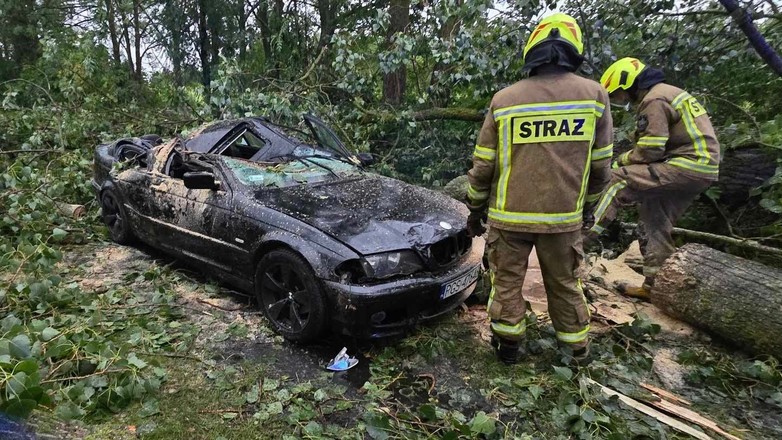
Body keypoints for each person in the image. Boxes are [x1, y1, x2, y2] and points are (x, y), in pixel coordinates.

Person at [466, 13, 613, 365]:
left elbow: (483, 164)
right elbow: (601, 166)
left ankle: (509, 348)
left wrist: (475, 209)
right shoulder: (594, 96)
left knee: (506, 283)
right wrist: (589, 207)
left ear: (532, 51)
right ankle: (576, 351)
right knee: (564, 284)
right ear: (574, 50)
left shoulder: (505, 100)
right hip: (563, 218)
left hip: (509, 218)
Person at [589, 57, 721, 300]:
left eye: (618, 94)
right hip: (699, 168)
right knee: (654, 220)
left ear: (628, 82)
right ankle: (655, 285)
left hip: (685, 165)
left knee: (618, 179)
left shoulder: (654, 99)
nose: (620, 100)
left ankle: (583, 237)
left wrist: (623, 159)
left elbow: (650, 149)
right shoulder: (668, 93)